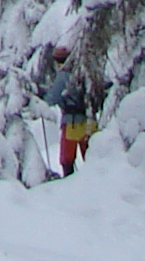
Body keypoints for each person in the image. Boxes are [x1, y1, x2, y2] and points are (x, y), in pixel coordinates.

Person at [43, 45, 101, 176]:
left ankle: (69, 186)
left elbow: (52, 98)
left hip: (72, 123)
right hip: (90, 120)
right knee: (92, 155)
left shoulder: (63, 76)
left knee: (67, 160)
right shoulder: (86, 71)